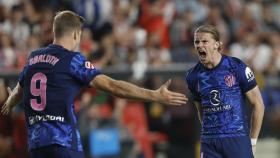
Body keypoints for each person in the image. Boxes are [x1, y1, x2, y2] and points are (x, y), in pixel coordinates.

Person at [1, 10, 187, 158]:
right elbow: (113, 86)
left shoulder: (33, 58)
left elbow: (20, 88)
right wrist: (154, 95)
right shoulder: (72, 59)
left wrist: (10, 101)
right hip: (63, 143)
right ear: (75, 33)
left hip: (36, 144)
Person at [185, 25, 264, 158]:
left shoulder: (236, 67)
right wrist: (210, 132)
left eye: (204, 41)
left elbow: (258, 104)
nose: (199, 45)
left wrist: (253, 141)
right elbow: (201, 110)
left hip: (236, 138)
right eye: (196, 42)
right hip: (209, 142)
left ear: (216, 44)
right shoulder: (193, 76)